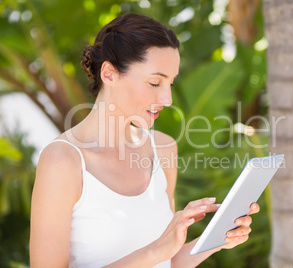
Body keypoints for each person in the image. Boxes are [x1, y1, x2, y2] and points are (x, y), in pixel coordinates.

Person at [29, 13, 259, 267]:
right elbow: (157, 254)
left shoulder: (163, 149)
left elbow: (168, 261)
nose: (167, 99)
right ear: (109, 74)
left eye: (170, 83)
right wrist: (153, 251)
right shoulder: (63, 161)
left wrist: (216, 238)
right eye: (154, 82)